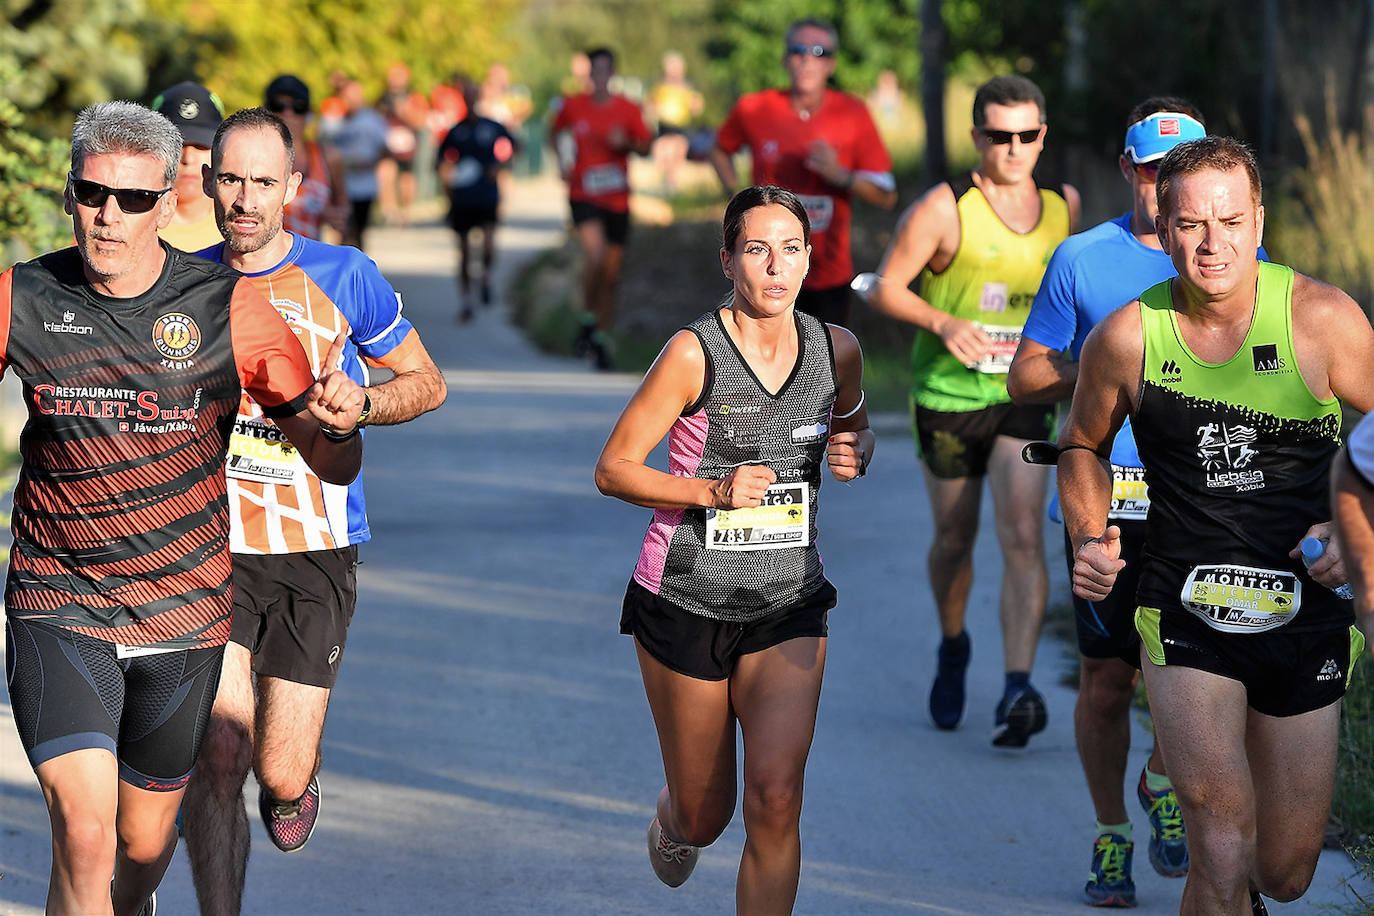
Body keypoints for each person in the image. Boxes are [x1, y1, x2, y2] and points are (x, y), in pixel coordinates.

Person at [2, 100, 364, 916]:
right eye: (93, 194)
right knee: (85, 837)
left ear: (169, 202)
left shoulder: (227, 307)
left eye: (133, 199)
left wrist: (345, 420)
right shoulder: (23, 297)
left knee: (141, 850)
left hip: (184, 614)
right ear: (70, 194)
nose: (109, 216)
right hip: (60, 603)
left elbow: (331, 461)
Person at [1059, 136, 1373, 915]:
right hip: (1183, 604)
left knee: (1285, 870)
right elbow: (1080, 446)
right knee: (1221, 842)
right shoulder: (1128, 337)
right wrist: (1090, 536)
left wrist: (1352, 533)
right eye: (1191, 224)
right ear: (1162, 228)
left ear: (1258, 220)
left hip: (1308, 614)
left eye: (1230, 220)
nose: (1212, 243)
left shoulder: (1325, 320)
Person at [180, 108, 446, 916]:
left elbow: (428, 382)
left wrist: (363, 402)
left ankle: (294, 781)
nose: (246, 199)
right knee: (218, 752)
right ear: (206, 182)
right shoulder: (180, 283)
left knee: (278, 771)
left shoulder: (345, 274)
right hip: (210, 548)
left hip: (314, 547)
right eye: (231, 178)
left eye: (265, 181)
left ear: (295, 187)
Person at [595, 185, 873, 913]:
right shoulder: (693, 353)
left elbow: (855, 427)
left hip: (788, 601)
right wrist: (714, 492)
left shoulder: (836, 349)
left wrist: (855, 451)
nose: (774, 267)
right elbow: (614, 467)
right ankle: (673, 821)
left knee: (777, 799)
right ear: (728, 261)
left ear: (810, 260)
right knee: (704, 815)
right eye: (756, 250)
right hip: (684, 598)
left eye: (790, 250)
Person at [1007, 98, 1210, 905]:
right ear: (1129, 169)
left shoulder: (1229, 256)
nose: (1167, 188)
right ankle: (1111, 835)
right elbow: (1025, 374)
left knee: (1192, 669)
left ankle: (1163, 781)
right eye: (1154, 171)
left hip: (1200, 501)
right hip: (1103, 499)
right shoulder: (1082, 258)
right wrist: (1104, 366)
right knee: (1104, 682)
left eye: (1182, 171)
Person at [865, 74, 1080, 746]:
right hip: (950, 397)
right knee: (955, 540)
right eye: (998, 135)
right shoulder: (943, 207)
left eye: (1026, 135)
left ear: (1043, 135)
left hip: (1024, 395)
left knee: (1021, 535)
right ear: (976, 136)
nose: (1013, 148)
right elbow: (882, 288)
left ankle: (1018, 685)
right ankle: (954, 642)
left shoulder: (1063, 204)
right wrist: (943, 323)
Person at [709, 17, 897, 327]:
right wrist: (735, 196)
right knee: (761, 366)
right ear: (786, 59)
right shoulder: (755, 107)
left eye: (819, 52)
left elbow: (887, 196)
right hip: (764, 269)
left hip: (827, 270)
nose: (808, 59)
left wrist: (842, 176)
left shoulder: (853, 113)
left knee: (823, 369)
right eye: (799, 51)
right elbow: (719, 149)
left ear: (832, 64)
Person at [549, 47, 652, 370]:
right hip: (583, 193)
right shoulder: (572, 105)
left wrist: (628, 143)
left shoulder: (628, 108)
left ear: (613, 73)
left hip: (617, 199)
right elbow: (555, 132)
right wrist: (564, 163)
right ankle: (587, 319)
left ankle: (598, 336)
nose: (601, 77)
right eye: (596, 71)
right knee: (594, 257)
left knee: (610, 273)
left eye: (607, 70)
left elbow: (647, 146)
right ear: (589, 74)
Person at [436, 76, 519, 322]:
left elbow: (516, 147)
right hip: (462, 197)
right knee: (463, 251)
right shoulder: (456, 130)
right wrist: (448, 182)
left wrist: (500, 166)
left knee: (489, 244)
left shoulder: (492, 126)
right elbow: (441, 161)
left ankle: (485, 277)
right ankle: (466, 300)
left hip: (486, 194)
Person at [265, 74, 348, 242]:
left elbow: (343, 212)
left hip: (310, 262)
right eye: (278, 106)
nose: (288, 114)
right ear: (266, 112)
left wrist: (332, 217)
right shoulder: (254, 157)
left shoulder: (328, 157)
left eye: (298, 107)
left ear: (309, 114)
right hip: (264, 263)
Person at [153, 81, 225, 251]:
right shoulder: (126, 223)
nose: (188, 158)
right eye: (177, 146)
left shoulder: (240, 228)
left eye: (201, 145)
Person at [332, 79, 389, 251]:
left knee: (359, 232)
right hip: (342, 184)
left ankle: (358, 269)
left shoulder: (372, 119)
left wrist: (369, 162)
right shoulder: (334, 119)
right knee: (342, 231)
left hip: (364, 186)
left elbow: (384, 148)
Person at [376, 62, 430, 226]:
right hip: (388, 144)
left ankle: (406, 211)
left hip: (407, 145)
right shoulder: (383, 98)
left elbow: (421, 121)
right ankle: (389, 211)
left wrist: (404, 112)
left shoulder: (414, 97)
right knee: (385, 175)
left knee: (406, 180)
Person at [646, 51, 703, 196]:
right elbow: (650, 104)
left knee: (676, 153)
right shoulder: (659, 86)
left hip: (680, 128)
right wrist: (654, 110)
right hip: (664, 127)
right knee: (662, 153)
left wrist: (693, 104)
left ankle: (673, 185)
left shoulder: (687, 87)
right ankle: (666, 183)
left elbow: (697, 106)